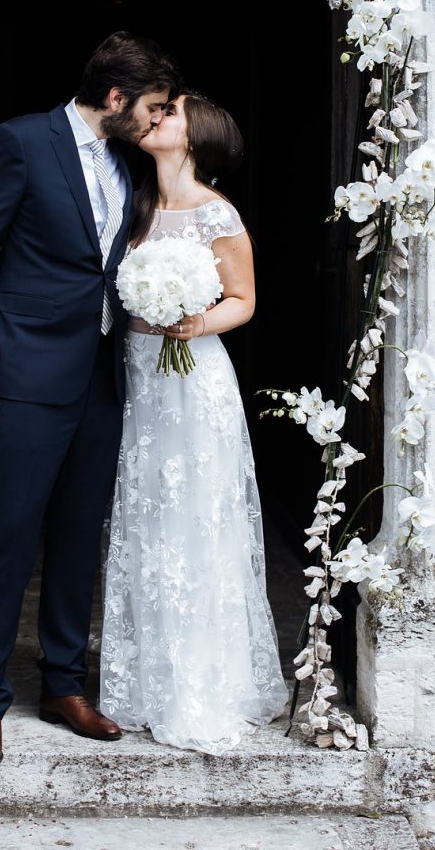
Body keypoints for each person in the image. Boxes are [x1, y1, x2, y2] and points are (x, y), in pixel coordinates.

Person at [0, 31, 181, 767]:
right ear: (114, 98)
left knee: (81, 536)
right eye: (149, 107)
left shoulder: (126, 159)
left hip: (102, 376)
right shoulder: (21, 142)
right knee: (12, 534)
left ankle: (61, 685)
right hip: (21, 370)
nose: (153, 121)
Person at [99, 91, 290, 753]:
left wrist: (195, 319)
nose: (156, 118)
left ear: (196, 134)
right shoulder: (135, 206)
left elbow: (246, 299)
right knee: (148, 520)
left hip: (196, 379)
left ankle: (205, 685)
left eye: (170, 113)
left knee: (197, 523)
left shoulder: (219, 213)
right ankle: (149, 682)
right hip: (142, 378)